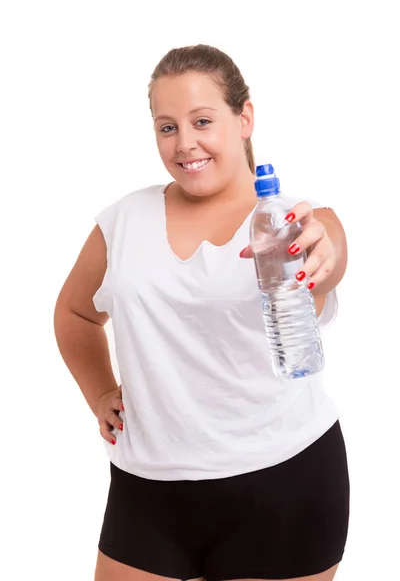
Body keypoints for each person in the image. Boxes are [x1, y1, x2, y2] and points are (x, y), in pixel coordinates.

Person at [54, 44, 350, 581]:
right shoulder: (122, 221)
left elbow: (325, 262)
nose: (185, 142)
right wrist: (99, 390)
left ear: (244, 118)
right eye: (166, 127)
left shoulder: (294, 223)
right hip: (147, 491)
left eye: (203, 121)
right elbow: (75, 314)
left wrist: (322, 255)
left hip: (282, 484)